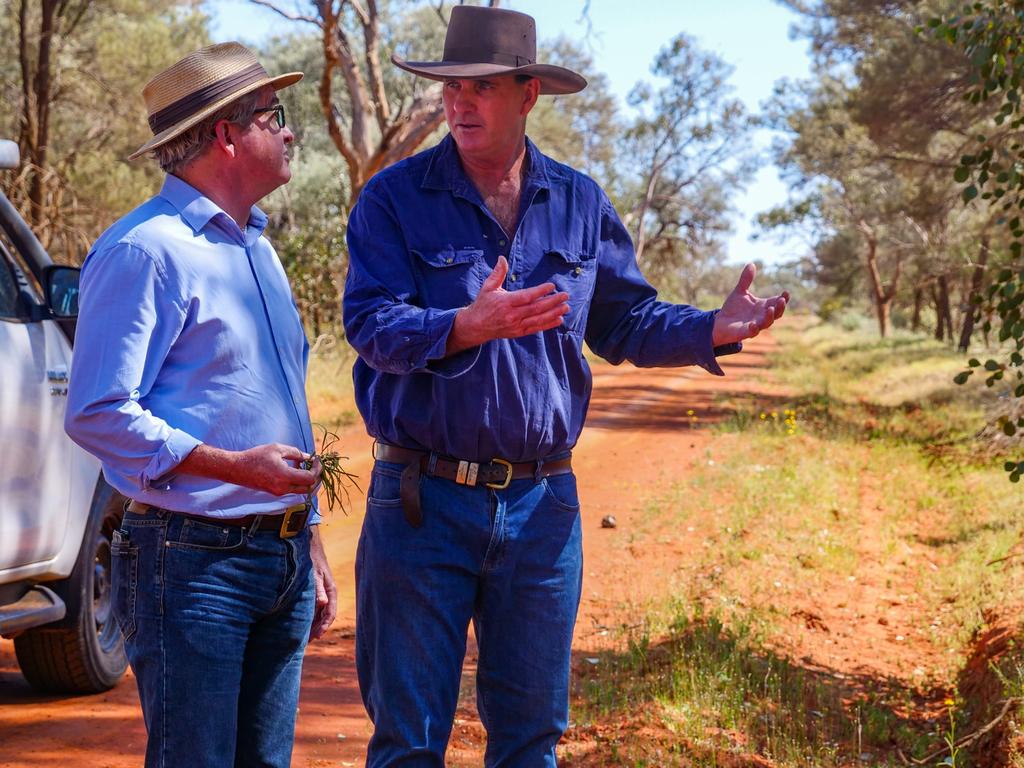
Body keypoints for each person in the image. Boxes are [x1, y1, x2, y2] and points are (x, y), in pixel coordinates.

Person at [343, 6, 789, 766]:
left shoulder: (579, 202)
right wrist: (463, 326)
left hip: (542, 510)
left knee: (531, 739)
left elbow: (625, 319)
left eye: (481, 88)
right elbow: (371, 325)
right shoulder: (393, 199)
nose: (459, 104)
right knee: (408, 741)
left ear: (528, 95)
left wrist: (711, 327)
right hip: (421, 504)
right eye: (451, 89)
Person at [64, 42, 336, 768]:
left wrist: (304, 537)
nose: (288, 132)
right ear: (225, 134)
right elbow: (96, 410)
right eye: (274, 116)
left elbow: (274, 404)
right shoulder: (144, 252)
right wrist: (233, 468)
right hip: (188, 563)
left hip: (278, 559)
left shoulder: (257, 248)